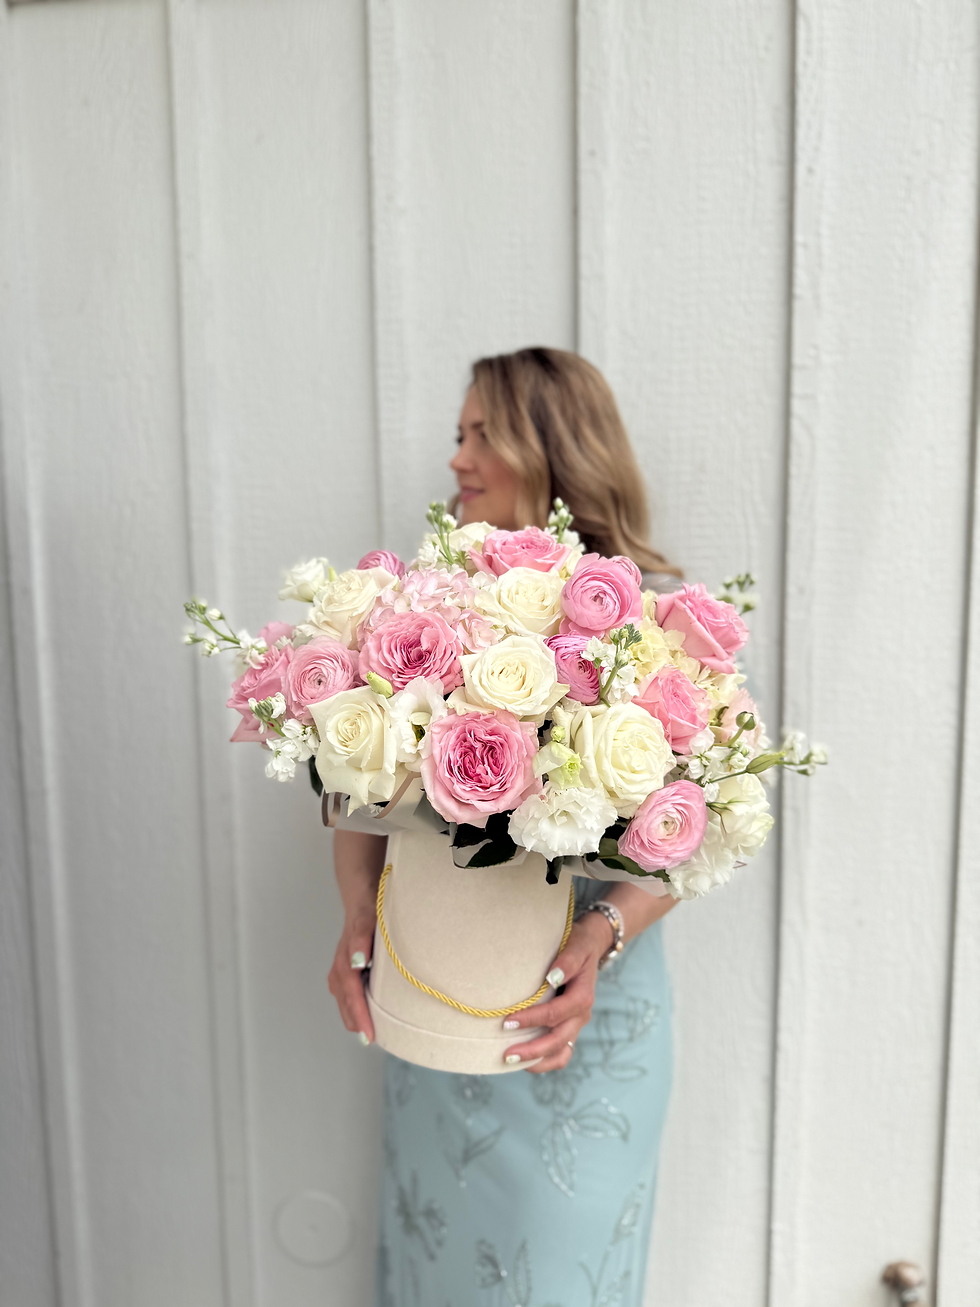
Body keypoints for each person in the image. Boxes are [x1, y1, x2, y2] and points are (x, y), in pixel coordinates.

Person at [329, 347, 682, 1306]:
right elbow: (358, 778)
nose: (458, 458)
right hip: (434, 984)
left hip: (587, 1013)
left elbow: (698, 827)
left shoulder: (649, 620)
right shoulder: (423, 605)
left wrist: (602, 935)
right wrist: (357, 913)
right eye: (459, 434)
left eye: (482, 432)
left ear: (551, 442)